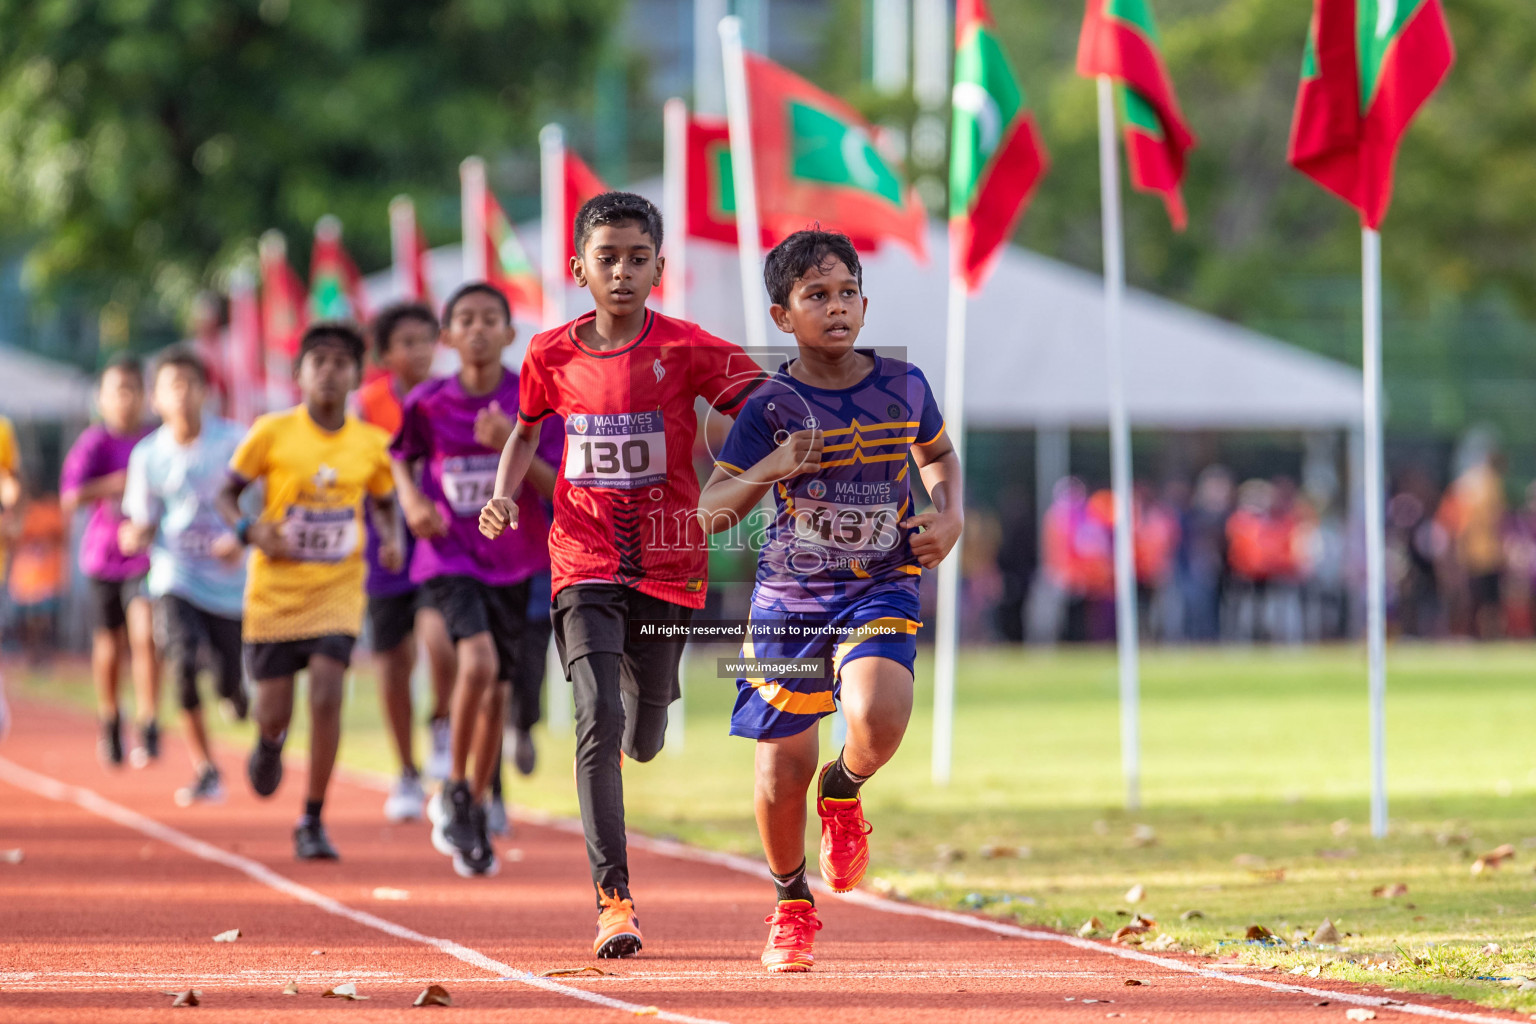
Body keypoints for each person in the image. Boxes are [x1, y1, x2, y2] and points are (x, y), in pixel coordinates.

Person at [480, 191, 765, 957]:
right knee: (596, 716)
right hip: (582, 560)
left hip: (671, 566)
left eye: (638, 258)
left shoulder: (689, 349)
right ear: (580, 268)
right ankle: (614, 899)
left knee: (644, 731)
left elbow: (765, 404)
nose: (622, 272)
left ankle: (655, 700)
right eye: (607, 259)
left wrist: (768, 462)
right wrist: (505, 495)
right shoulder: (550, 353)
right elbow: (524, 432)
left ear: (659, 268)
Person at [696, 229, 962, 973]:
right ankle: (790, 903)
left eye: (847, 293)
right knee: (781, 771)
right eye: (817, 296)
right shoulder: (770, 404)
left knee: (877, 714)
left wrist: (950, 514)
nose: (836, 307)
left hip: (882, 580)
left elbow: (937, 455)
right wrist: (776, 463)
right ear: (785, 317)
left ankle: (844, 789)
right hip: (791, 600)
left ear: (866, 304)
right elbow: (713, 509)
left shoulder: (902, 385)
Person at [218, 323, 403, 861]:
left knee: (327, 693)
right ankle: (269, 741)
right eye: (317, 360)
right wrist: (249, 531)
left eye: (341, 361)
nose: (329, 370)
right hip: (275, 594)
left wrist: (390, 540)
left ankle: (313, 817)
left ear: (355, 374)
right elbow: (228, 495)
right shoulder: (271, 432)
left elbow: (386, 501)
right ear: (298, 374)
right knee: (274, 710)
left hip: (338, 589)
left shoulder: (371, 443)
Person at [391, 282, 552, 878]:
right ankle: (455, 786)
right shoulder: (429, 402)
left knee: (500, 695)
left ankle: (477, 804)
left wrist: (507, 445)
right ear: (448, 336)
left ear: (511, 334)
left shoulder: (530, 399)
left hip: (515, 561)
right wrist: (411, 502)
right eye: (465, 319)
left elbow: (557, 484)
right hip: (449, 557)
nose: (478, 329)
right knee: (477, 665)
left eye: (491, 319)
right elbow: (399, 457)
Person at [120, 348, 250, 806]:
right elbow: (141, 518)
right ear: (156, 398)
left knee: (227, 678)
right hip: (175, 575)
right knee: (181, 662)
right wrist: (134, 534)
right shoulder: (148, 455)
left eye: (190, 383)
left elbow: (263, 502)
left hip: (230, 582)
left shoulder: (237, 441)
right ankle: (206, 768)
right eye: (171, 385)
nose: (182, 393)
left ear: (205, 390)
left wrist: (242, 536)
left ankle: (234, 689)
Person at [356, 301, 457, 822]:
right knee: (393, 663)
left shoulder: (446, 396)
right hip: (384, 548)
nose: (419, 351)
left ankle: (441, 722)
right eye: (407, 342)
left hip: (437, 539)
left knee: (442, 644)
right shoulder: (367, 404)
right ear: (385, 353)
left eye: (426, 339)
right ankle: (406, 771)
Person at [61, 355, 157, 768]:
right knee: (110, 645)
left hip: (148, 556)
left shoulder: (156, 440)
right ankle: (110, 717)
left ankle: (150, 722)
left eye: (133, 389)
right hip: (103, 557)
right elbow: (70, 497)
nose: (126, 398)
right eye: (117, 390)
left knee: (145, 636)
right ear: (101, 398)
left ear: (145, 395)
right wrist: (116, 484)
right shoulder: (94, 443)